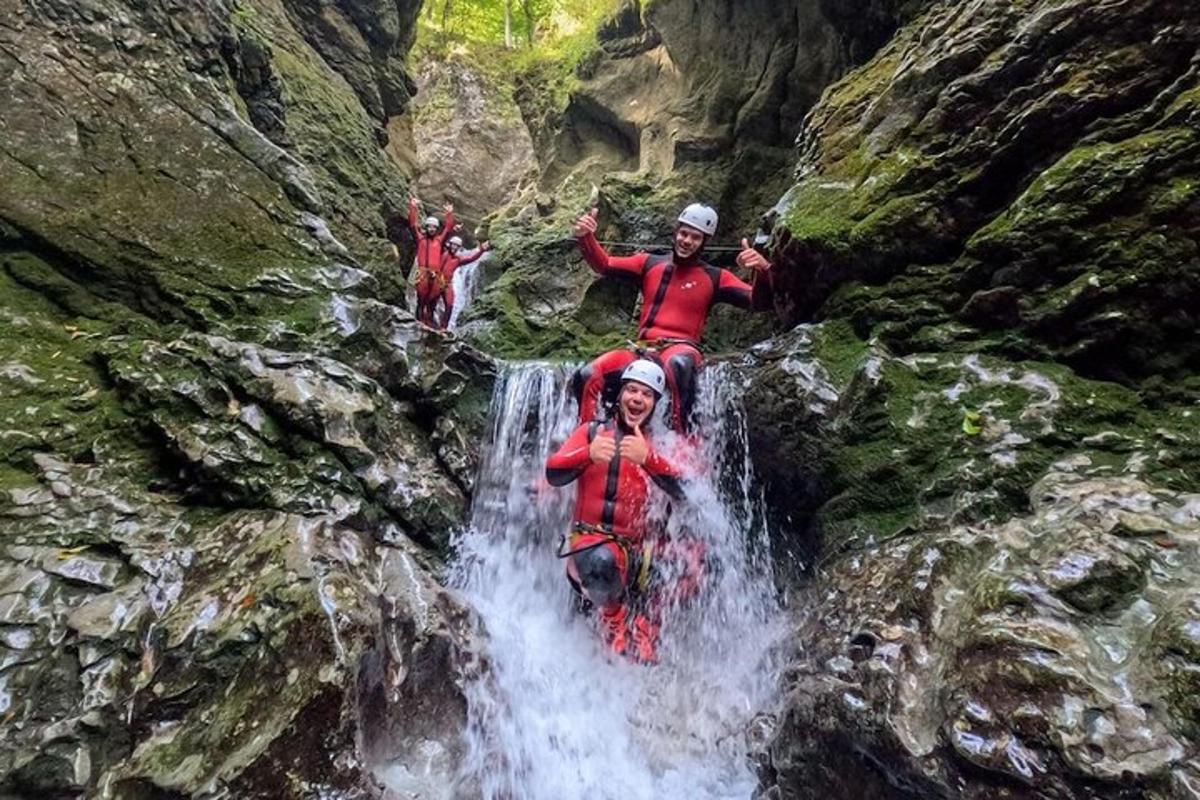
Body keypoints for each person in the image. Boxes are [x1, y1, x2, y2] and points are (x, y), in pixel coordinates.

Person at [572, 203, 774, 431]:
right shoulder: (649, 263)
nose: (687, 241)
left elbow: (760, 303)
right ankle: (585, 436)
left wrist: (763, 270)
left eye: (695, 237)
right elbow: (605, 264)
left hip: (681, 349)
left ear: (704, 241)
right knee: (588, 374)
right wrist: (586, 237)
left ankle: (684, 441)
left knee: (679, 366)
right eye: (683, 233)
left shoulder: (716, 277)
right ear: (676, 232)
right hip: (642, 349)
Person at [545, 360, 689, 663]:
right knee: (600, 561)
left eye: (647, 395)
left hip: (637, 553)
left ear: (655, 404)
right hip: (591, 546)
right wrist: (588, 454)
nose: (637, 399)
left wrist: (649, 460)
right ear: (620, 394)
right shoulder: (592, 432)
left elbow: (688, 492)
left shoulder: (659, 445)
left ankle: (648, 624)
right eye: (632, 390)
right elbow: (553, 473)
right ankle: (616, 620)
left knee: (696, 558)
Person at [408, 197, 455, 327]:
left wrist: (449, 214)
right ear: (426, 227)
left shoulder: (440, 241)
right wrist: (413, 207)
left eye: (434, 227)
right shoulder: (420, 239)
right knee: (421, 300)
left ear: (437, 228)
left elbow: (449, 228)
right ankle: (419, 323)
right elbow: (412, 224)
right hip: (423, 274)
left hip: (436, 275)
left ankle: (429, 322)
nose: (432, 229)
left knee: (432, 301)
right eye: (429, 226)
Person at [434, 236, 490, 329]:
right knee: (431, 302)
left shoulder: (457, 259)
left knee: (450, 305)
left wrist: (481, 250)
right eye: (453, 245)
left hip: (447, 284)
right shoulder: (442, 253)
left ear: (459, 248)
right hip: (436, 281)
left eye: (456, 246)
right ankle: (426, 319)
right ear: (449, 244)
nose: (454, 247)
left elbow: (470, 258)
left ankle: (443, 327)